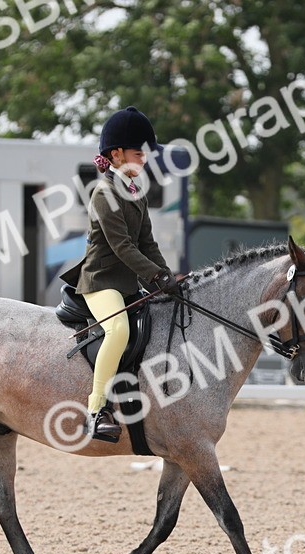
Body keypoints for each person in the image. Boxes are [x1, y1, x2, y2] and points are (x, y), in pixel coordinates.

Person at [60, 106, 179, 443]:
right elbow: (123, 247)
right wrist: (155, 276)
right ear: (116, 154)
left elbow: (147, 241)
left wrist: (168, 277)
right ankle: (96, 410)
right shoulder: (103, 194)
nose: (144, 158)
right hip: (100, 281)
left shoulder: (134, 192)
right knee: (118, 329)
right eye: (138, 152)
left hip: (126, 283)